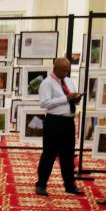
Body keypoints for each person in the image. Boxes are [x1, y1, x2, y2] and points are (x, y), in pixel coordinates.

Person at [35, 57, 83, 196]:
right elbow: (45, 103)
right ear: (55, 69)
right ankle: (41, 184)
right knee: (49, 154)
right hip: (54, 122)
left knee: (68, 155)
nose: (66, 73)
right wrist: (66, 98)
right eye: (64, 70)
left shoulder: (68, 81)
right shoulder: (47, 83)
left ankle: (70, 185)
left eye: (68, 70)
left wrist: (76, 99)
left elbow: (71, 100)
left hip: (68, 122)